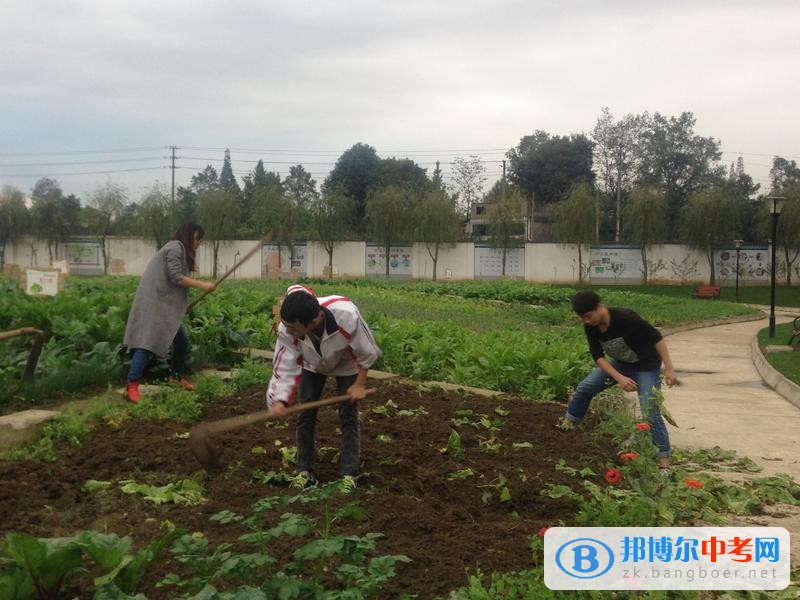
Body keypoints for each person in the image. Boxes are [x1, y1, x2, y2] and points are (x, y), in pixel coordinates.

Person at [266, 284, 381, 486]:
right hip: (312, 364)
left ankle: (348, 474)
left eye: (292, 327)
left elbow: (367, 351)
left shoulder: (346, 314)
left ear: (313, 321)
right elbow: (284, 364)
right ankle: (305, 471)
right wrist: (279, 400)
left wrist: (359, 384)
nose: (287, 330)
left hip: (347, 364)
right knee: (305, 414)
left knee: (349, 415)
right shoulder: (288, 327)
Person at [559, 290, 677, 473]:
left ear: (599, 308)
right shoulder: (591, 327)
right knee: (585, 388)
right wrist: (619, 377)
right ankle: (567, 425)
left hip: (647, 367)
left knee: (650, 412)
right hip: (622, 365)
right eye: (583, 318)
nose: (587, 321)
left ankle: (665, 466)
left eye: (589, 316)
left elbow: (657, 338)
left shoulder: (626, 318)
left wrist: (669, 368)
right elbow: (598, 356)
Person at [122, 223, 215, 403]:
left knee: (181, 342)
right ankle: (131, 385)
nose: (199, 242)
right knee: (146, 344)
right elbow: (176, 277)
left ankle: (175, 376)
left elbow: (173, 283)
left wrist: (180, 306)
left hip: (164, 306)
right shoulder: (175, 247)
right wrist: (203, 285)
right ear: (188, 236)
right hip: (155, 305)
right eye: (197, 238)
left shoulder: (179, 250)